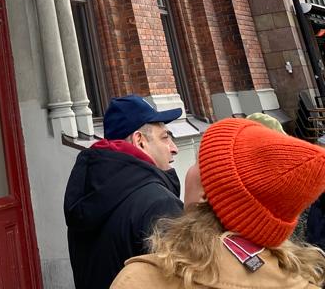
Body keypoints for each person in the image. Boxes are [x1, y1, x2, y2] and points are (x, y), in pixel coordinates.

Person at [111, 117, 325, 289]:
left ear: (206, 194)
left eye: (198, 162)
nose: (175, 149)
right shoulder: (304, 281)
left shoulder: (142, 280)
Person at [64, 94, 184, 289]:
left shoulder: (87, 195)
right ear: (140, 141)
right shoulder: (160, 204)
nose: (174, 148)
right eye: (165, 137)